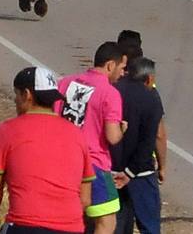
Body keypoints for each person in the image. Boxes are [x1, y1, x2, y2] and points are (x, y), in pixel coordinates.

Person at [0, 67, 94, 234]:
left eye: (16, 94)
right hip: (71, 228)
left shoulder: (7, 131)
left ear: (27, 95)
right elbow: (85, 199)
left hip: (24, 226)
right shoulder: (77, 133)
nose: (15, 100)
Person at [58, 42, 130, 233]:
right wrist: (122, 129)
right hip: (93, 164)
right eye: (122, 68)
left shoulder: (66, 82)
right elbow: (112, 137)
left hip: (61, 159)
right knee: (107, 220)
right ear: (110, 65)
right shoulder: (110, 94)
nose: (123, 74)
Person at [110, 57, 166, 234]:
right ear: (149, 78)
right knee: (149, 224)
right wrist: (162, 167)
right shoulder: (151, 98)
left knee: (117, 222)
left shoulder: (112, 90)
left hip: (111, 169)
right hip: (140, 172)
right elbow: (155, 137)